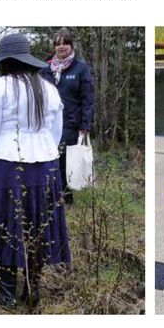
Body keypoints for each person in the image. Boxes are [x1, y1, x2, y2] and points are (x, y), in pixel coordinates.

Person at [0, 32, 70, 309]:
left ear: (5, 61)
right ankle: (33, 287)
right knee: (39, 227)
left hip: (7, 166)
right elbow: (56, 131)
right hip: (46, 167)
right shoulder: (48, 87)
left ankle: (7, 293)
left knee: (6, 227)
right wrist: (45, 148)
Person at [46, 31, 94, 205]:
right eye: (57, 44)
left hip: (70, 123)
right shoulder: (46, 69)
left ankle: (66, 196)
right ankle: (54, 193)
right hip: (49, 123)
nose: (61, 47)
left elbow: (87, 98)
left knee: (64, 159)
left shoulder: (80, 68)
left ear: (71, 46)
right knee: (51, 158)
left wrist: (85, 124)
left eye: (64, 43)